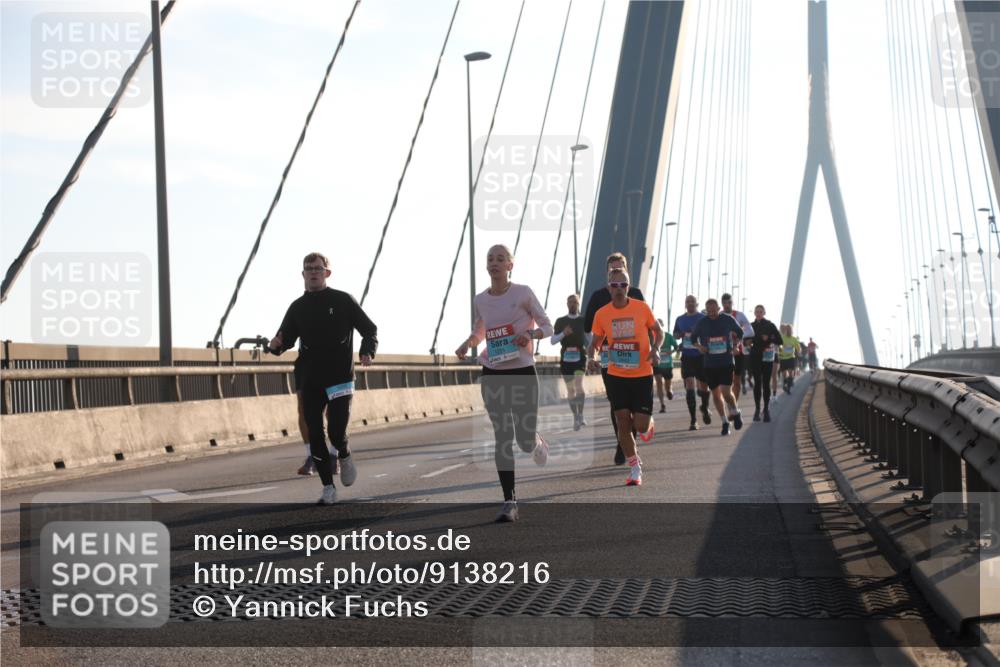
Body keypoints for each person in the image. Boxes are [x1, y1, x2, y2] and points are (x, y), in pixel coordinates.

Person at [269, 252, 377, 505]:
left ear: (327, 273)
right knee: (315, 431)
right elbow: (283, 340)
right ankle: (328, 487)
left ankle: (345, 453)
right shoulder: (297, 307)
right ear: (303, 274)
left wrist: (367, 350)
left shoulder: (342, 300)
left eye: (318, 268)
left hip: (339, 375)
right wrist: (275, 346)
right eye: (308, 268)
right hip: (310, 377)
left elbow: (369, 329)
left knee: (337, 431)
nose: (313, 272)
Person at [456, 244, 552, 523]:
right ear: (486, 266)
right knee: (502, 435)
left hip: (522, 370)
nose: (494, 263)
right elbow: (480, 330)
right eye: (490, 259)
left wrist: (530, 335)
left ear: (510, 265)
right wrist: (469, 342)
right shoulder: (480, 299)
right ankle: (509, 501)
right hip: (493, 372)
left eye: (500, 259)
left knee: (522, 439)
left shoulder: (523, 293)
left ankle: (534, 441)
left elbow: (548, 326)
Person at [588, 267, 662, 486]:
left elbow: (659, 331)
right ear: (608, 287)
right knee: (622, 420)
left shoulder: (641, 308)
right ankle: (634, 466)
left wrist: (656, 348)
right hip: (617, 374)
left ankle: (648, 423)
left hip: (642, 373)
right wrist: (591, 357)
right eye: (615, 285)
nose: (619, 289)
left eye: (624, 285)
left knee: (639, 425)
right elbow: (594, 343)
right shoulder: (602, 314)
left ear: (628, 287)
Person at [584, 252, 646, 465]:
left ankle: (631, 437)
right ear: (607, 273)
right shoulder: (598, 296)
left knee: (634, 407)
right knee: (617, 404)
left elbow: (646, 323)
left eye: (620, 269)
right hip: (609, 356)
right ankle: (622, 444)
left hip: (634, 355)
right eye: (612, 270)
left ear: (626, 271)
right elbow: (587, 327)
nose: (616, 276)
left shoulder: (636, 293)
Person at [690, 298, 745, 435]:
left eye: (714, 311)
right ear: (706, 310)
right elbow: (693, 338)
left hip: (726, 361)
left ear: (719, 308)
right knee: (715, 393)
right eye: (709, 311)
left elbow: (740, 332)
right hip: (710, 364)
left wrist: (735, 345)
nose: (712, 314)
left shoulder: (727, 319)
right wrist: (699, 347)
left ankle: (735, 411)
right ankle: (725, 422)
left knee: (726, 392)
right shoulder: (702, 322)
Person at [673, 295, 712, 430]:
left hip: (701, 356)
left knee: (703, 387)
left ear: (697, 304)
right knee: (689, 385)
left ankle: (705, 408)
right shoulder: (680, 319)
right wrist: (678, 335)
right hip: (687, 357)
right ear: (685, 304)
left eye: (692, 302)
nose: (690, 304)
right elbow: (675, 333)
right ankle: (693, 420)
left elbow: (710, 333)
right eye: (687, 302)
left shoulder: (703, 318)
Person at [551, 294, 590, 430]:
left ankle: (581, 414)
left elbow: (590, 339)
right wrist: (563, 334)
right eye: (571, 302)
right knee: (571, 389)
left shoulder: (583, 320)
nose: (573, 304)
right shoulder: (560, 321)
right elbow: (552, 341)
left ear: (578, 305)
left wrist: (593, 356)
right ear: (567, 304)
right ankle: (576, 417)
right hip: (566, 360)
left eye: (575, 302)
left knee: (579, 386)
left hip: (580, 358)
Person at [748, 305, 783, 422]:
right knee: (757, 383)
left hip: (767, 357)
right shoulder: (751, 326)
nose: (758, 313)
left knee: (766, 383)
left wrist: (769, 338)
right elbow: (745, 339)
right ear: (754, 313)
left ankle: (766, 410)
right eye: (757, 311)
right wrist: (749, 341)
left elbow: (780, 340)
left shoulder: (770, 325)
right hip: (755, 357)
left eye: (760, 312)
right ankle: (757, 409)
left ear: (764, 313)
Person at [720, 292, 754, 401]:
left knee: (737, 381)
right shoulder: (719, 316)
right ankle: (730, 403)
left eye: (729, 302)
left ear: (732, 303)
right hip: (723, 352)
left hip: (738, 352)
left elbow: (750, 331)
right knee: (725, 381)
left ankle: (734, 405)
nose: (727, 305)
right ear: (722, 303)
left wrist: (739, 335)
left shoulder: (739, 315)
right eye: (724, 303)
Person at [653, 319, 679, 413]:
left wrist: (671, 352)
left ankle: (669, 391)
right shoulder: (652, 336)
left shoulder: (668, 336)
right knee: (659, 383)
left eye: (660, 323)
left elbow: (677, 347)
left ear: (662, 325)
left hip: (668, 365)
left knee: (667, 386)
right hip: (657, 365)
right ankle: (662, 404)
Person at [778, 324, 802, 394]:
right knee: (785, 374)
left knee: (791, 373)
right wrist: (780, 349)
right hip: (783, 358)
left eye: (790, 330)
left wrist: (799, 350)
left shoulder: (794, 339)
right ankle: (785, 384)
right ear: (785, 330)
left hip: (791, 358)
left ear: (792, 331)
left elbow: (798, 348)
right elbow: (779, 347)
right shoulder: (782, 338)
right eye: (787, 329)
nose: (789, 331)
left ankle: (788, 387)